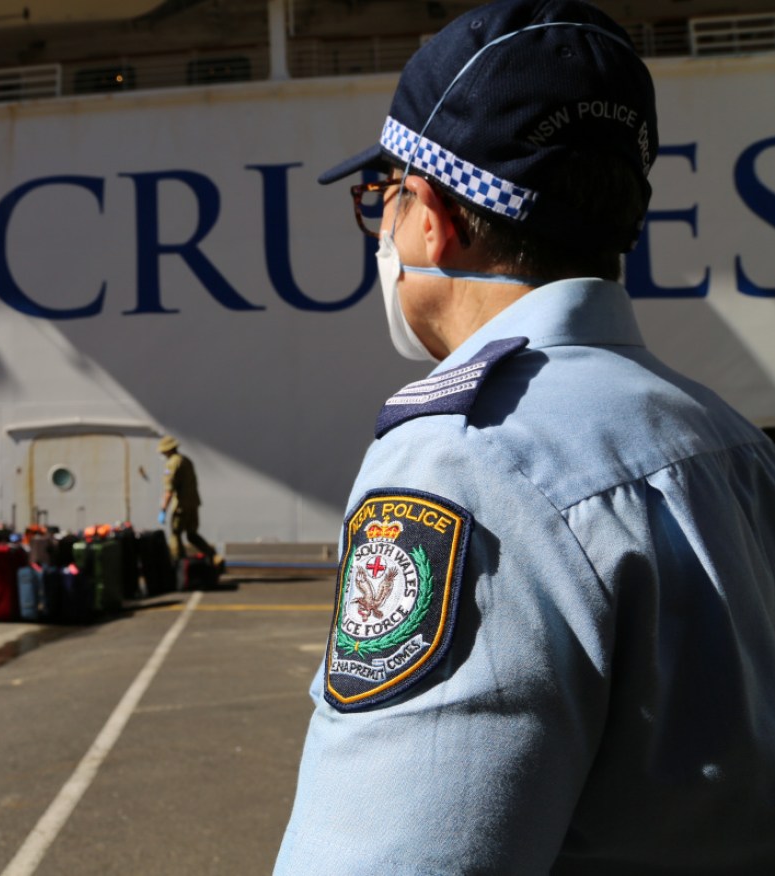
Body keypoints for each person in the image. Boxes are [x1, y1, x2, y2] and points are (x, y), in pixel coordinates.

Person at [274, 1, 775, 873]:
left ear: (428, 215)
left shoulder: (465, 463)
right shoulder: (727, 437)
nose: (383, 233)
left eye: (381, 200)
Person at [157, 435, 219, 567]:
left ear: (168, 450)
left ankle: (179, 565)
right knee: (192, 534)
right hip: (193, 504)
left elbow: (169, 490)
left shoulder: (172, 463)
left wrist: (163, 509)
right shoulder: (187, 460)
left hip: (181, 506)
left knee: (175, 534)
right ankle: (213, 556)